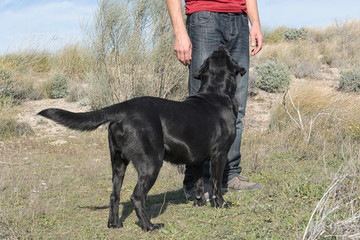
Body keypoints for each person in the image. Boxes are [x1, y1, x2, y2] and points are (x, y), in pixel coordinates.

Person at [166, 0, 264, 199]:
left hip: (239, 19)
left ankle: (230, 173)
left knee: (236, 109)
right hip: (205, 18)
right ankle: (197, 183)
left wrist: (255, 23)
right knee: (198, 112)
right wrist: (179, 32)